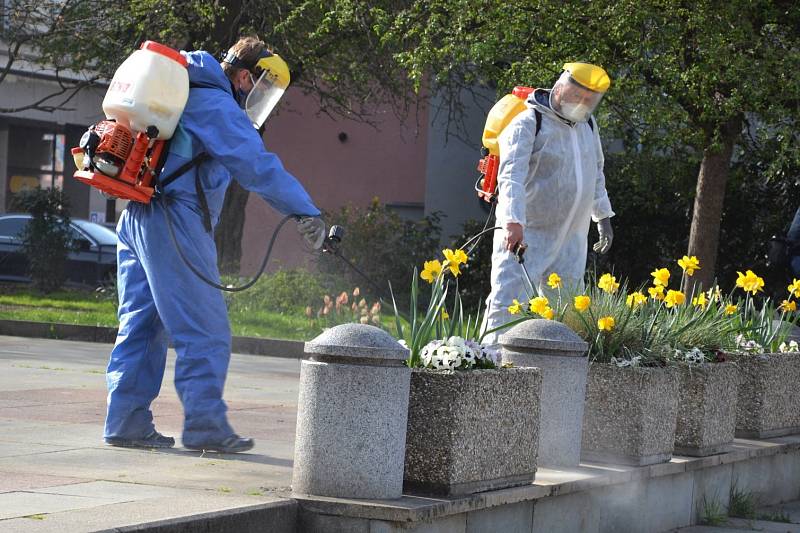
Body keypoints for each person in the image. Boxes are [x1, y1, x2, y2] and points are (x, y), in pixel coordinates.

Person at [104, 37, 325, 453]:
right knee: (205, 331)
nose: (259, 99)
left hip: (137, 211)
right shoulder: (216, 104)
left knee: (142, 325)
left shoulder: (185, 89)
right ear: (244, 77)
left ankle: (126, 420)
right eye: (262, 89)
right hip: (174, 218)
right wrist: (305, 211)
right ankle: (206, 427)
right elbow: (256, 165)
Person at [482, 62, 615, 346]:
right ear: (563, 88)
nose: (582, 104)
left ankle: (556, 371)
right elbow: (511, 177)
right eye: (578, 96)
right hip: (526, 234)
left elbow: (596, 170)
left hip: (571, 238)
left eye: (590, 100)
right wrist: (512, 223)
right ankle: (489, 365)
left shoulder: (588, 126)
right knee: (507, 304)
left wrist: (602, 216)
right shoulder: (529, 122)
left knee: (566, 311)